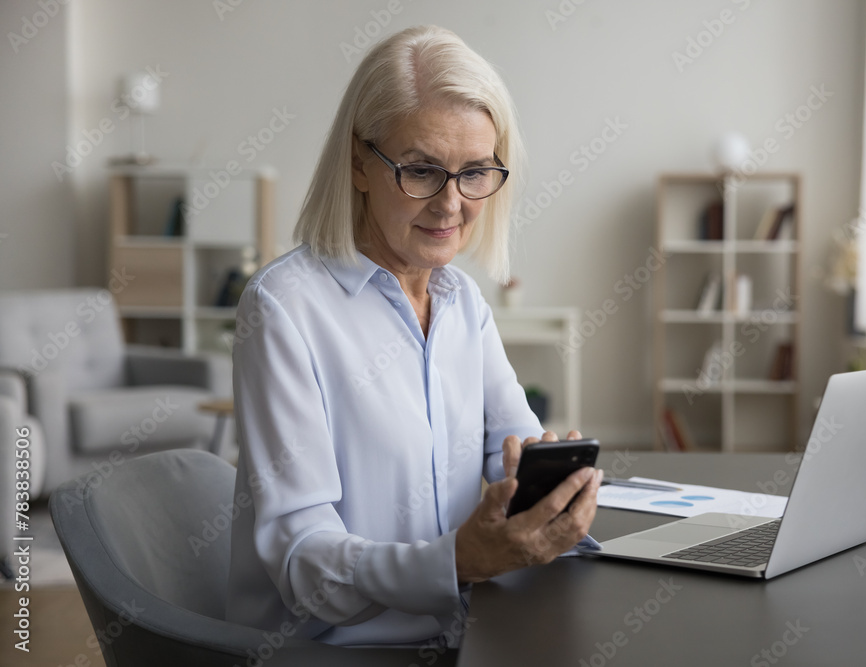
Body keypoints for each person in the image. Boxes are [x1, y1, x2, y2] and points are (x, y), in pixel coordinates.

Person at [224, 25, 602, 648]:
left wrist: (550, 494)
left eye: (476, 171)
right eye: (422, 169)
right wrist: (458, 559)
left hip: (461, 635)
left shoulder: (463, 303)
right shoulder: (283, 310)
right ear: (358, 163)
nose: (452, 203)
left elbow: (513, 449)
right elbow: (304, 567)